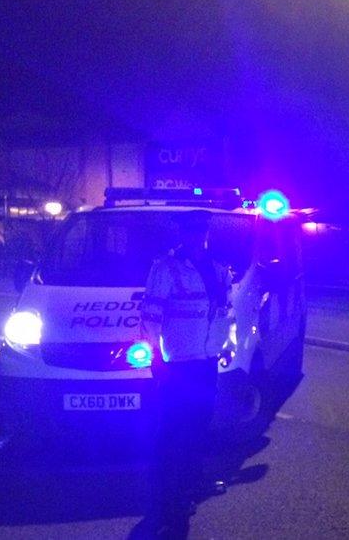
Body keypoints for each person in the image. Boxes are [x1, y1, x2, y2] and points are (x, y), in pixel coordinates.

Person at [139, 210, 232, 536]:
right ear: (183, 233)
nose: (197, 236)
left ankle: (190, 487)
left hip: (205, 362)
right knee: (172, 432)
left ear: (207, 232)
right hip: (176, 364)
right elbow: (150, 317)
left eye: (202, 230)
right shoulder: (166, 268)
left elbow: (223, 314)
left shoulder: (219, 269)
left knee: (198, 426)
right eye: (192, 231)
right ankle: (167, 500)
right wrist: (153, 355)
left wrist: (226, 346)